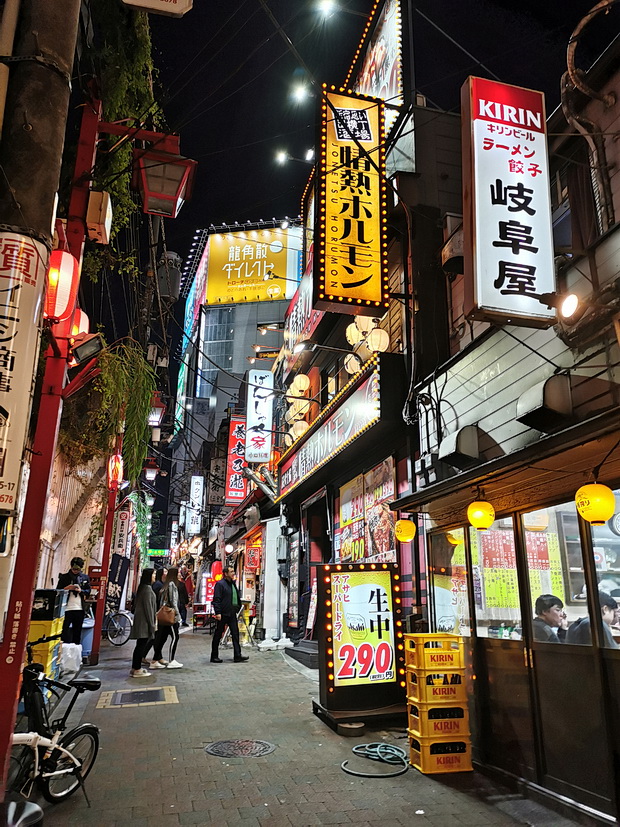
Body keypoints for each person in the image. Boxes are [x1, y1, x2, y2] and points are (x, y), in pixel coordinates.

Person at [210, 565, 249, 664]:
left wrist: (237, 608)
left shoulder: (232, 584)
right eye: (231, 572)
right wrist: (218, 612)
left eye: (233, 571)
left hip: (231, 613)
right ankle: (214, 656)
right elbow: (217, 599)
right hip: (223, 613)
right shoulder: (220, 584)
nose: (233, 573)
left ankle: (237, 655)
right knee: (218, 634)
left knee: (235, 634)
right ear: (226, 573)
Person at [129, 568, 156, 678]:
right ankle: (137, 669)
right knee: (141, 645)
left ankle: (135, 667)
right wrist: (152, 624)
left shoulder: (142, 588)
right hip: (144, 621)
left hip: (141, 620)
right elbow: (148, 608)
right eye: (153, 574)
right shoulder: (147, 589)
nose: (154, 576)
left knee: (140, 644)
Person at [57, 557, 91, 645]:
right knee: (64, 631)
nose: (75, 571)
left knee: (77, 631)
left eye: (78, 569)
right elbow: (57, 591)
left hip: (79, 608)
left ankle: (75, 650)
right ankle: (64, 650)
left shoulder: (85, 577)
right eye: (74, 569)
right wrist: (66, 588)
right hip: (66, 608)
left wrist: (81, 591)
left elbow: (88, 591)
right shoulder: (64, 577)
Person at [146, 568, 169, 668]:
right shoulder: (158, 585)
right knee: (156, 637)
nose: (166, 574)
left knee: (156, 637)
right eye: (164, 572)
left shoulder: (159, 584)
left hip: (157, 613)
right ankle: (155, 658)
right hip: (157, 614)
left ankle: (157, 657)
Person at [160, 567, 183, 668]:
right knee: (175, 637)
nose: (179, 575)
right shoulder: (172, 585)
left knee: (163, 637)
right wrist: (178, 615)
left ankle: (157, 658)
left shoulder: (166, 584)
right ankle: (172, 660)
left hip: (166, 615)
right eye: (177, 573)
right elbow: (174, 602)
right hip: (171, 616)